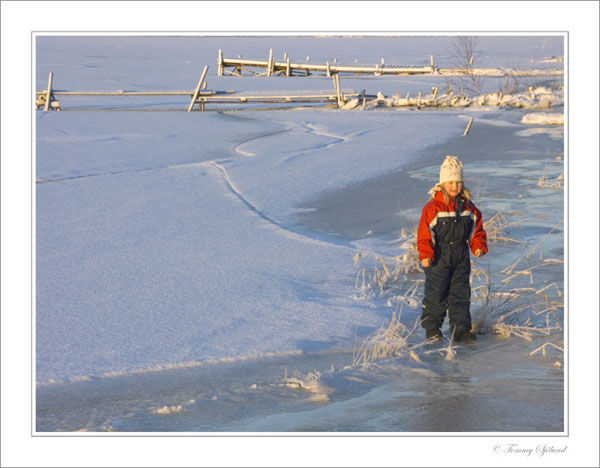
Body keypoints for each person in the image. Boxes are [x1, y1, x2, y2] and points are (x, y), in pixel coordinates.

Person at [416, 155, 488, 342]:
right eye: (450, 183)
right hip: (438, 258)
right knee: (436, 294)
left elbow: (476, 229)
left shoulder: (468, 207)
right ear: (442, 184)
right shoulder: (433, 208)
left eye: (458, 182)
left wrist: (478, 246)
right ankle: (432, 329)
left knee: (460, 294)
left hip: (461, 258)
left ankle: (461, 329)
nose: (455, 186)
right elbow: (424, 234)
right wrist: (426, 255)